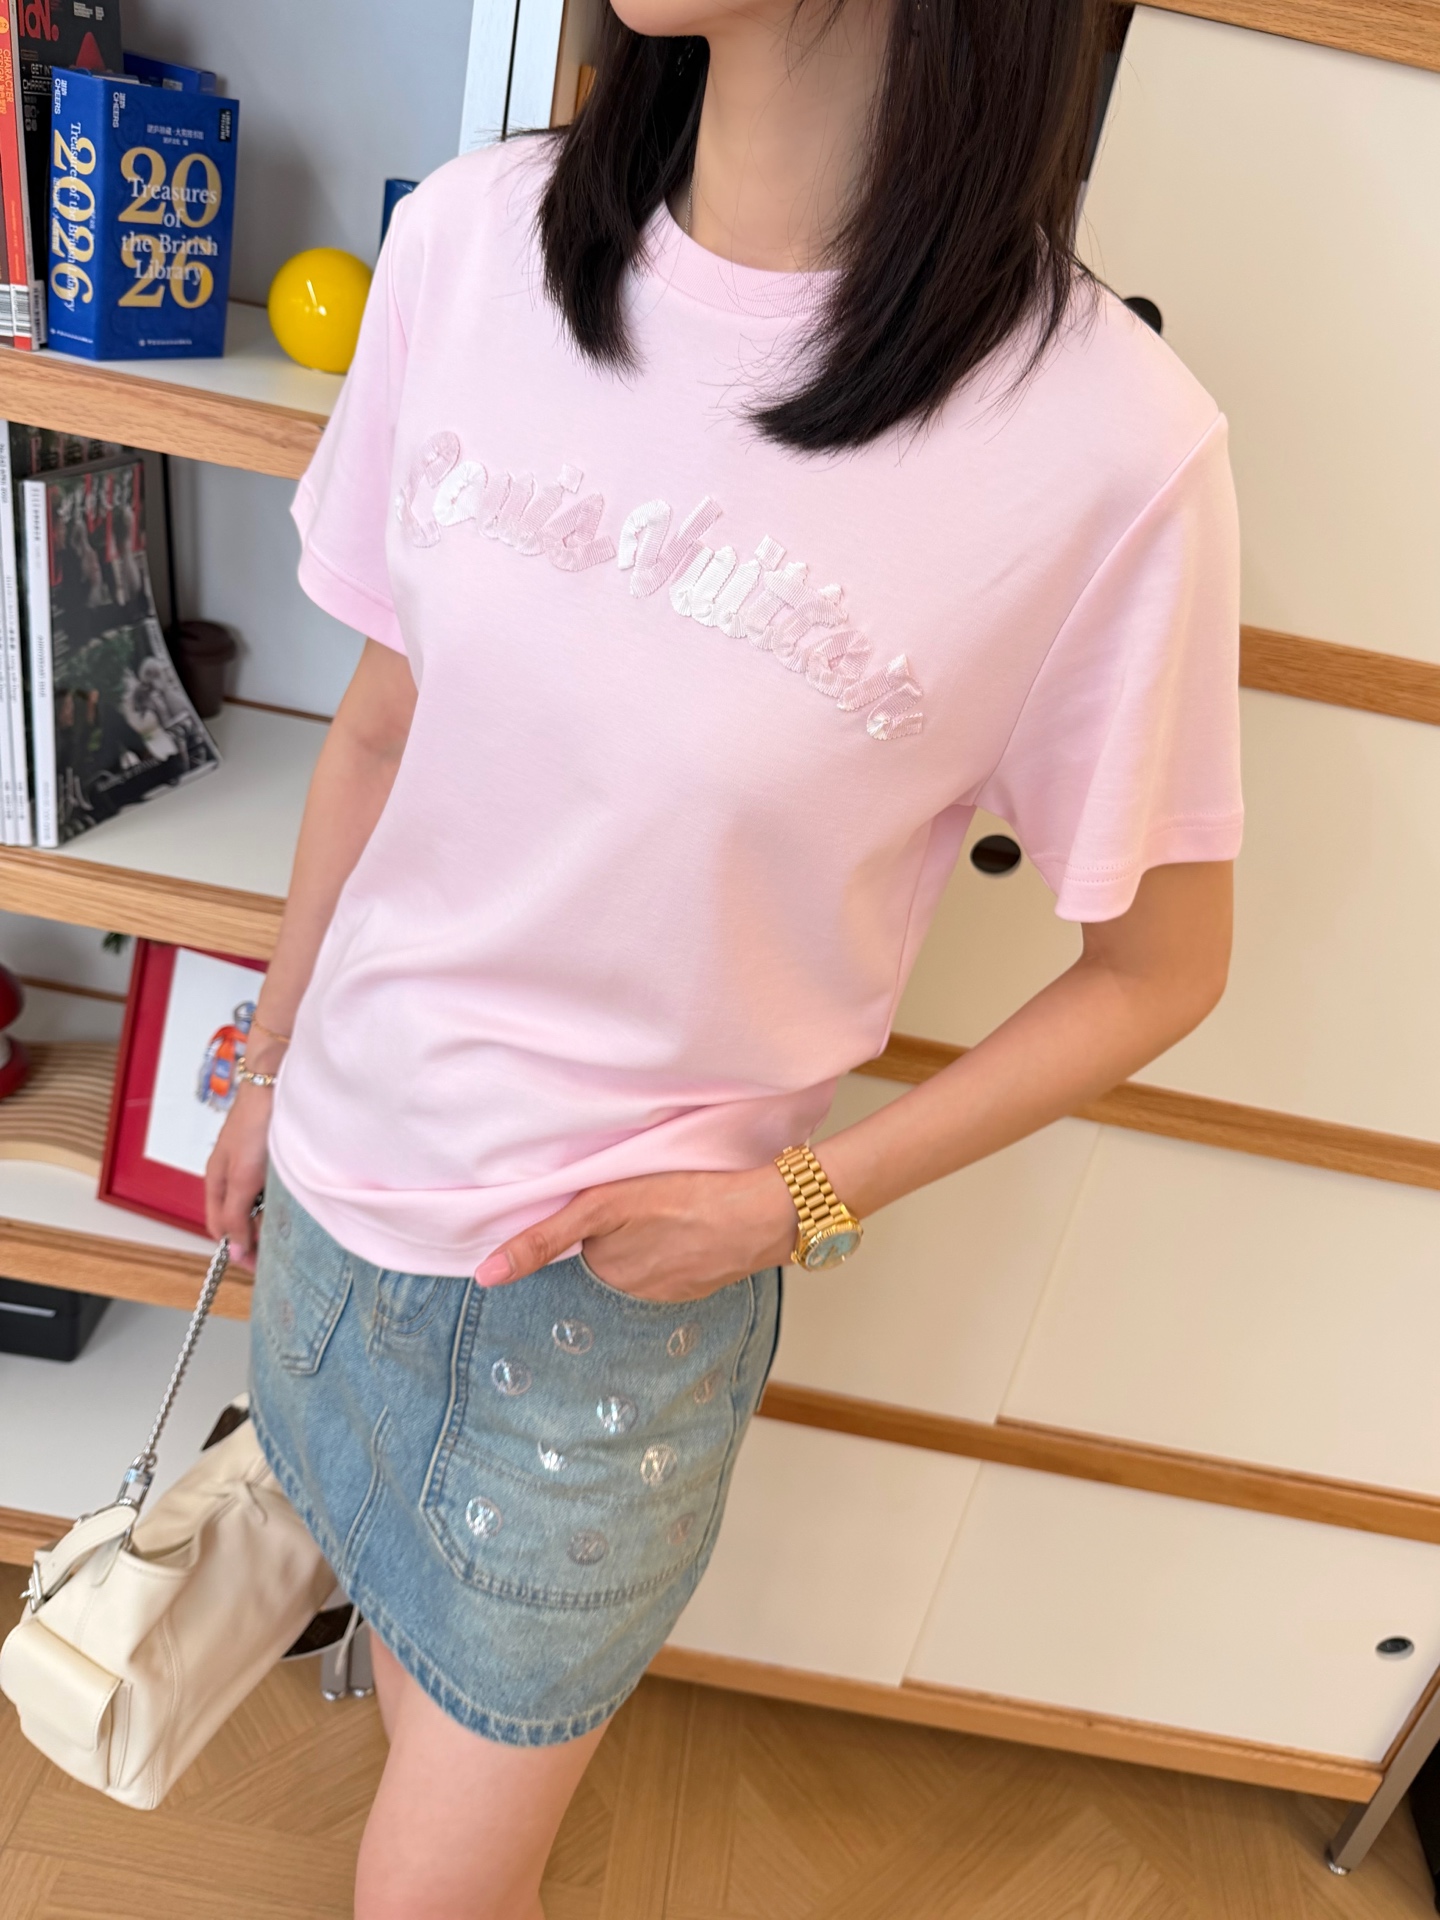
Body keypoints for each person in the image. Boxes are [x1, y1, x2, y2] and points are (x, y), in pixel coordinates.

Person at [205, 0, 1243, 1911]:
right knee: (386, 1664)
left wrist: (797, 1206)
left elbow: (1159, 968)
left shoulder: (1109, 446)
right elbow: (380, 724)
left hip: (607, 1320)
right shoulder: (473, 244)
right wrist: (267, 1068)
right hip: (337, 1202)